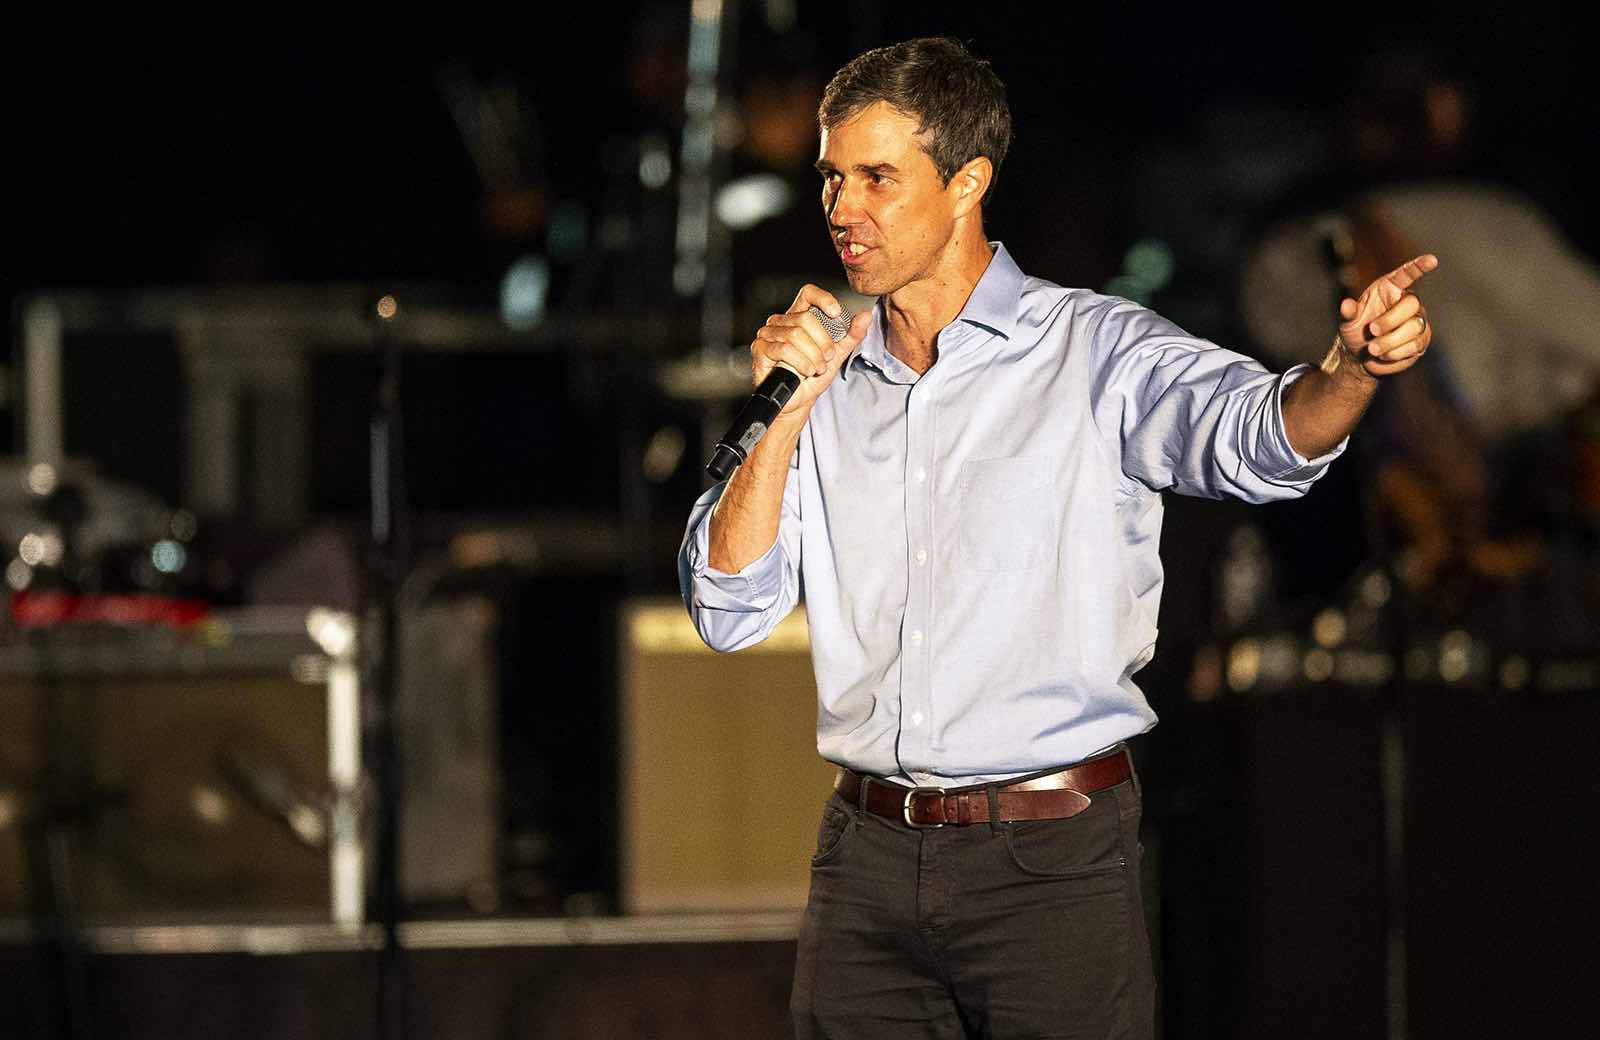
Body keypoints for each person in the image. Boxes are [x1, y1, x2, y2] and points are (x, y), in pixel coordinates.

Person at [677, 37, 1435, 1038]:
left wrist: (1348, 371)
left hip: (1048, 860)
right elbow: (727, 609)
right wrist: (781, 415)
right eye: (829, 176)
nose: (841, 207)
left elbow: (1258, 435)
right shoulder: (824, 375)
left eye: (875, 177)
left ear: (966, 182)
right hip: (863, 856)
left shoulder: (1094, 349)